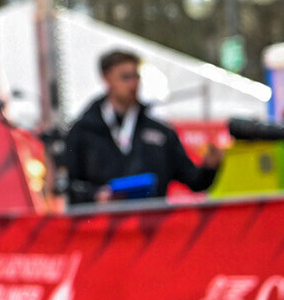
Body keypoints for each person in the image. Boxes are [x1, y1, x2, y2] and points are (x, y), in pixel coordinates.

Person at [63, 49, 221, 204]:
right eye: (125, 77)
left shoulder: (161, 132)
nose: (133, 84)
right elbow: (67, 185)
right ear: (106, 78)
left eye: (136, 77)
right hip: (102, 220)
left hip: (150, 219)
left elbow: (195, 181)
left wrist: (210, 166)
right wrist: (96, 196)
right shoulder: (83, 131)